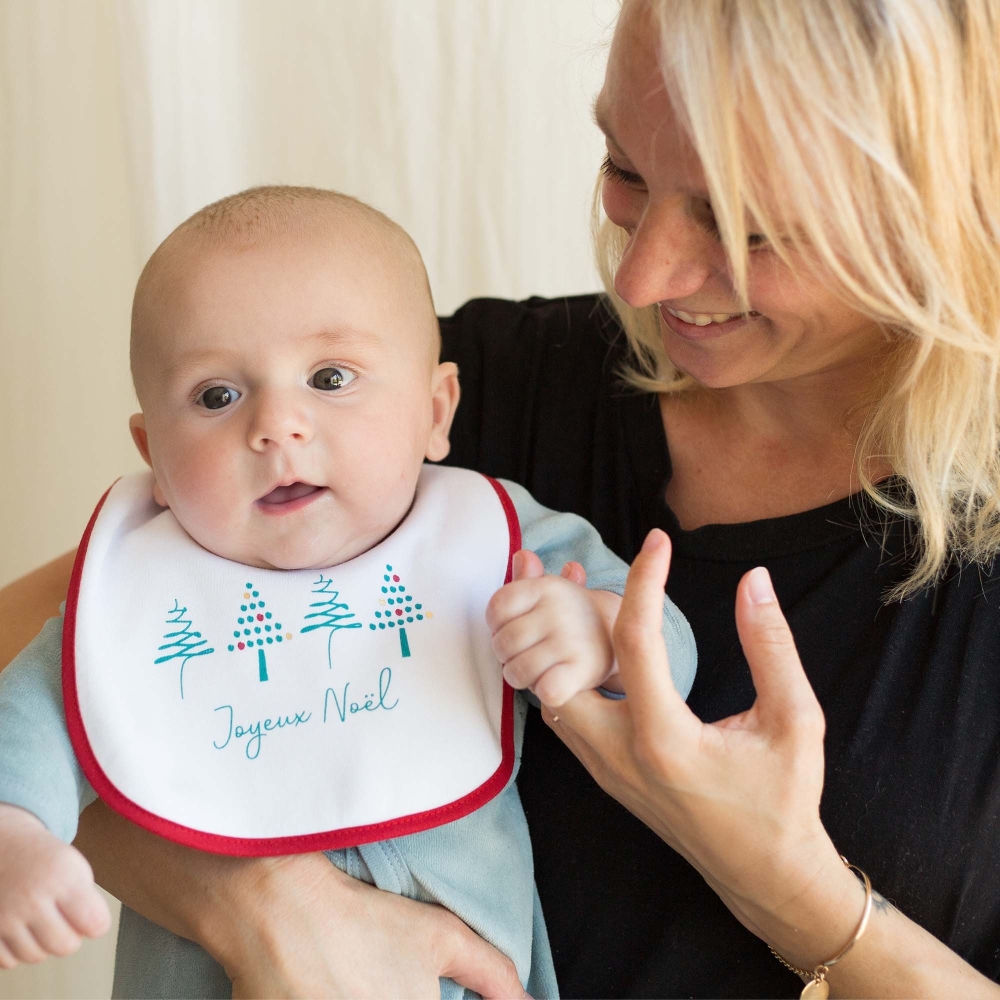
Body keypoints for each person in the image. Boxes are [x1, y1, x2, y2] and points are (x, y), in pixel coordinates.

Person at [2, 0, 1000, 996]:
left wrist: (793, 888)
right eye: (624, 170)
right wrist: (267, 908)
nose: (644, 276)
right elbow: (45, 668)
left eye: (746, 226)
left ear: (941, 205)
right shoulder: (394, 406)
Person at [0, 185, 698, 999]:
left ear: (438, 413)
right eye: (217, 396)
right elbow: (35, 713)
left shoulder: (493, 536)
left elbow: (660, 643)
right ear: (152, 451)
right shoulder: (144, 597)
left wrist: (595, 629)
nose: (276, 425)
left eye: (330, 377)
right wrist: (17, 832)